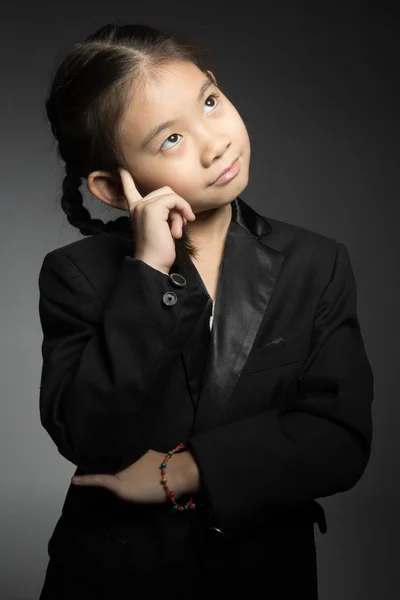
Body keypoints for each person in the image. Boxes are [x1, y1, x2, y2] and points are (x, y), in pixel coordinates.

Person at [38, 22, 374, 599]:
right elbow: (87, 435)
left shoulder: (316, 263)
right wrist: (147, 272)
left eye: (211, 103)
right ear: (114, 189)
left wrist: (183, 472)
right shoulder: (79, 275)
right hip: (118, 575)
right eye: (170, 140)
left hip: (265, 569)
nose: (214, 142)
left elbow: (339, 439)